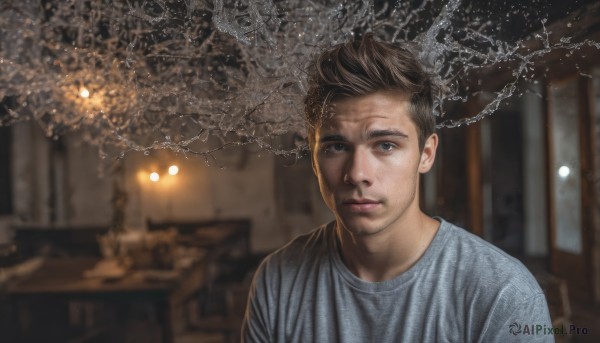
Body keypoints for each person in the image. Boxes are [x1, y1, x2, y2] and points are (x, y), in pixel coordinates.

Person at [242, 34, 552, 342]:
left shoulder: (503, 295)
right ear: (313, 157)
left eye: (386, 145)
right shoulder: (278, 281)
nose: (358, 174)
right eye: (336, 147)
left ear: (426, 154)